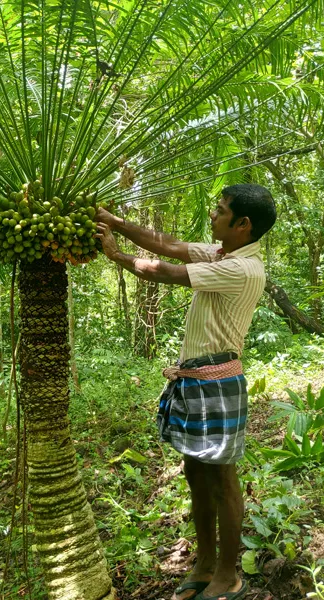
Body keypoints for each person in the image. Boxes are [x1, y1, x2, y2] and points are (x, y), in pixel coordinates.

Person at [94, 184, 276, 600]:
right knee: (196, 473)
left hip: (218, 384)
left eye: (221, 211)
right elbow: (170, 245)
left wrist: (117, 256)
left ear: (243, 225)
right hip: (191, 381)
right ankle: (205, 563)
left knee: (223, 478)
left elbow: (168, 271)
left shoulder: (242, 269)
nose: (213, 216)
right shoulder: (221, 253)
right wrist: (115, 221)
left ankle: (228, 574)